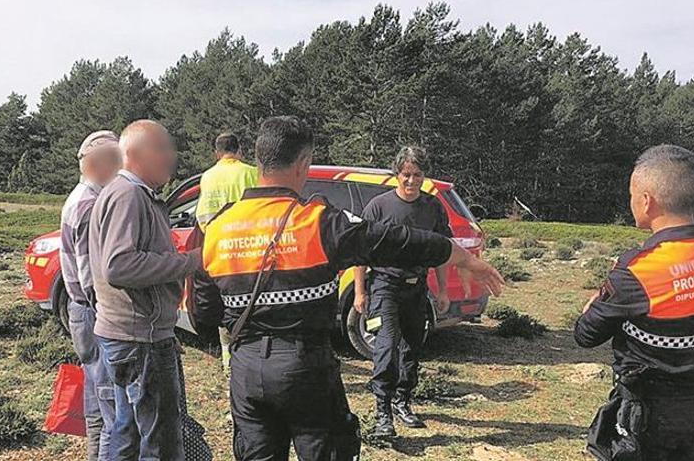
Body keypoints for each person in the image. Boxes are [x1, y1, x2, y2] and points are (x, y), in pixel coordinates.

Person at [194, 116, 504, 461]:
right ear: (303, 164)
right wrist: (459, 256)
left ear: (259, 160)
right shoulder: (318, 221)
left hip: (247, 371)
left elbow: (205, 315)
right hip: (305, 368)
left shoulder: (219, 227)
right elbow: (396, 241)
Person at [575, 144, 694, 461]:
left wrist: (596, 300)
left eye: (632, 194)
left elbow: (585, 335)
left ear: (646, 201)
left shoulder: (637, 271)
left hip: (647, 414)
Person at [89, 119, 202, 460]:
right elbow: (119, 266)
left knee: (128, 433)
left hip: (131, 336)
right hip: (139, 342)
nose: (173, 156)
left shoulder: (131, 194)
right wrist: (191, 262)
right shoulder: (128, 195)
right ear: (135, 153)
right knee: (160, 442)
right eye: (164, 148)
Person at [353, 145, 452, 438]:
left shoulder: (432, 207)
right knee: (386, 346)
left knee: (412, 348)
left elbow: (442, 252)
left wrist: (443, 290)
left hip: (416, 288)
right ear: (397, 174)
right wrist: (360, 292)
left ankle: (402, 401)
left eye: (417, 175)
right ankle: (383, 412)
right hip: (385, 286)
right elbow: (361, 253)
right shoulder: (378, 207)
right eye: (406, 175)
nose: (411, 182)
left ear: (424, 177)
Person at [60, 130, 121, 461]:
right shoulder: (89, 205)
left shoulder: (84, 197)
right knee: (113, 412)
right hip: (94, 314)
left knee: (98, 411)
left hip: (83, 313)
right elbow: (91, 279)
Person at [196, 132, 259, 370]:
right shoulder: (250, 172)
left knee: (226, 305)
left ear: (216, 152)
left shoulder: (207, 177)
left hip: (220, 250)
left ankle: (228, 359)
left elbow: (202, 215)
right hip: (249, 249)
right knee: (249, 303)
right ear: (239, 149)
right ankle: (250, 354)